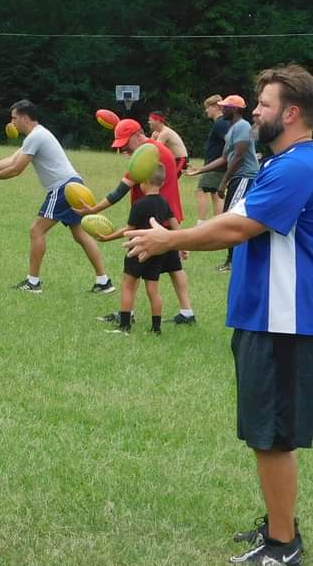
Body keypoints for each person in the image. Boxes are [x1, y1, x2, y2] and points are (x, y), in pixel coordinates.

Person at [125, 64, 313, 566]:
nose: (255, 112)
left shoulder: (299, 165)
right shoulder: (281, 162)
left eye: (265, 105)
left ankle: (283, 546)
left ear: (291, 113)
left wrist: (171, 238)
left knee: (271, 435)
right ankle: (279, 524)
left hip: (281, 319)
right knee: (264, 431)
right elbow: (233, 218)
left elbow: (237, 229)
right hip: (261, 316)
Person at [0, 100, 114, 295]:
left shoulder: (36, 136)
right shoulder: (37, 134)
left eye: (14, 118)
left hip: (63, 189)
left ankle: (33, 282)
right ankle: (104, 282)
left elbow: (15, 170)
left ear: (24, 118)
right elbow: (12, 160)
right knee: (80, 234)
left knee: (36, 230)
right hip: (74, 186)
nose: (11, 123)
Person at [76, 118, 197, 324]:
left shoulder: (147, 154)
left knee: (132, 273)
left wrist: (94, 209)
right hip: (167, 218)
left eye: (125, 143)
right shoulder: (155, 148)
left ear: (137, 135)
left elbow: (120, 190)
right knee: (174, 268)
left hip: (149, 224)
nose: (124, 149)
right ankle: (187, 312)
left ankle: (127, 314)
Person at [95, 164, 182, 335]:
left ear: (145, 182)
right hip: (157, 252)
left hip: (137, 250)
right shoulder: (165, 203)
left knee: (128, 285)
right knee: (153, 291)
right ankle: (156, 329)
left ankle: (124, 326)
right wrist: (182, 245)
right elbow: (174, 225)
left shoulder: (139, 204)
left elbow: (129, 229)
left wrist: (108, 237)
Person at [187, 94, 260, 272]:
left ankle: (233, 262)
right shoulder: (232, 129)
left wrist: (223, 182)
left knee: (233, 218)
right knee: (231, 216)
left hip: (245, 177)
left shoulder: (242, 126)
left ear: (234, 109)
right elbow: (224, 158)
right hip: (237, 178)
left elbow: (238, 156)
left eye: (225, 107)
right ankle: (233, 261)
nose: (222, 109)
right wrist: (201, 170)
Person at [186, 94, 231, 225]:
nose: (206, 110)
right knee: (216, 194)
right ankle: (220, 224)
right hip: (218, 165)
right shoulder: (223, 123)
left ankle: (201, 223)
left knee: (200, 190)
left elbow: (230, 141)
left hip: (216, 166)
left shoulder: (221, 123)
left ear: (216, 107)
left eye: (208, 107)